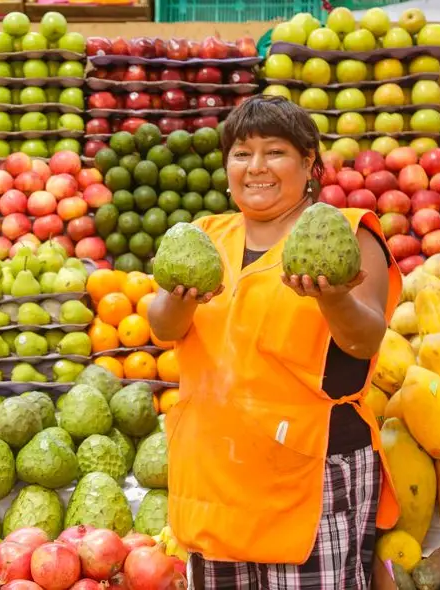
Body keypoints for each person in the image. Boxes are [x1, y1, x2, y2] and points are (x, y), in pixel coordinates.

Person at [148, 95, 403, 590]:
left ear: (309, 163)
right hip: (214, 477)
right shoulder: (203, 236)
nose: (256, 167)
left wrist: (333, 298)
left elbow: (365, 340)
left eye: (275, 152)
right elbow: (163, 328)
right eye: (242, 153)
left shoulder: (347, 235)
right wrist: (182, 299)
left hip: (309, 475)